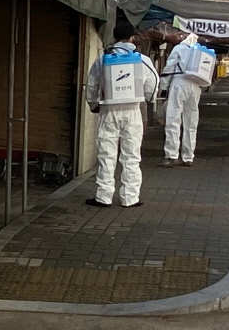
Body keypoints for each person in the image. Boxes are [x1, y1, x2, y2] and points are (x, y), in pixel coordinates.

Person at [84, 34, 160, 207]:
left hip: (109, 110)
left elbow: (92, 84)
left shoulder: (103, 59)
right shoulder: (142, 59)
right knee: (132, 155)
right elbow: (153, 81)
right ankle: (130, 197)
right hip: (132, 111)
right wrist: (149, 98)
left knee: (106, 154)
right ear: (132, 38)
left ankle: (103, 196)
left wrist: (93, 104)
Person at [160, 33, 217, 166]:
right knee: (191, 121)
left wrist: (163, 86)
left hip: (179, 83)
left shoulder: (179, 49)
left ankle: (171, 155)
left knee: (173, 119)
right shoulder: (200, 51)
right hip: (195, 86)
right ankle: (188, 156)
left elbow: (169, 68)